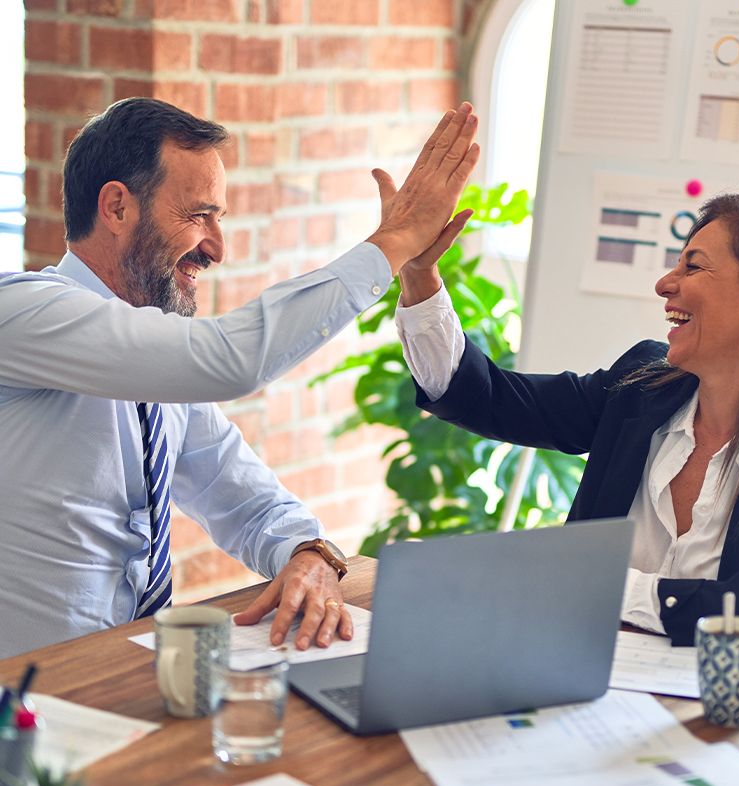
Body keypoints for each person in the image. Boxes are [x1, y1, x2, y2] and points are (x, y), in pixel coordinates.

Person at [0, 96, 479, 659]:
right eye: (198, 214)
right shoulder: (23, 313)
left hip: (128, 678)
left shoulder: (159, 366)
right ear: (116, 207)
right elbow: (230, 359)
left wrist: (306, 551)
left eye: (218, 218)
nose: (217, 247)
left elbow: (246, 500)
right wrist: (393, 243)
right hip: (29, 702)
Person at [393, 191, 739, 661]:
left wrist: (596, 585)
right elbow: (488, 398)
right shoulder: (640, 388)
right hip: (584, 680)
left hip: (738, 718)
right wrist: (420, 274)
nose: (664, 283)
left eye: (692, 265)